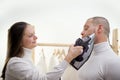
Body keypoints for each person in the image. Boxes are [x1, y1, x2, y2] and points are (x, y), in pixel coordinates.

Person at [1, 22, 83, 80]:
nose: (36, 37)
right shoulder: (15, 63)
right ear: (19, 41)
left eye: (34, 34)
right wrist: (69, 57)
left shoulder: (26, 60)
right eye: (30, 35)